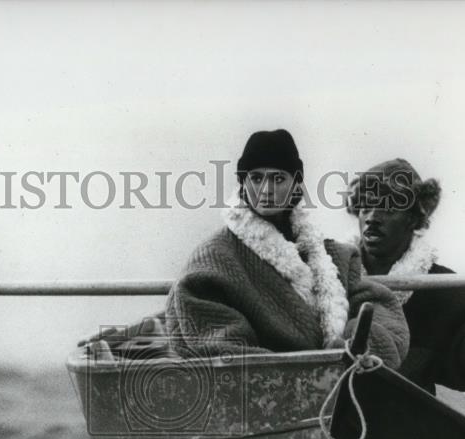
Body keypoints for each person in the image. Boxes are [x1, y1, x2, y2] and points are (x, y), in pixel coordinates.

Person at [165, 130, 409, 367]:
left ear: (296, 185)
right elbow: (221, 348)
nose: (266, 190)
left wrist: (357, 342)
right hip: (265, 396)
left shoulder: (334, 257)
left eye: (278, 178)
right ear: (242, 183)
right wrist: (313, 369)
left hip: (337, 388)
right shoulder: (214, 259)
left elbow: (380, 309)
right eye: (256, 178)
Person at [348, 158, 465, 393]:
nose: (371, 217)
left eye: (388, 208)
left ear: (414, 218)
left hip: (399, 420)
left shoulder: (444, 290)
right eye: (365, 207)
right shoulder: (329, 274)